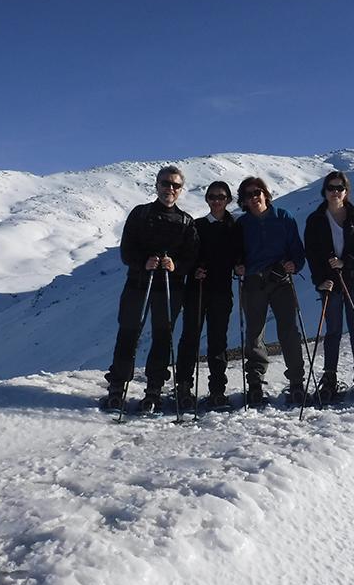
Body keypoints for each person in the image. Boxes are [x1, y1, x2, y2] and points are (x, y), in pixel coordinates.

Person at [102, 165, 199, 414]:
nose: (170, 188)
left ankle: (154, 387)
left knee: (162, 337)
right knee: (129, 334)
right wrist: (142, 262)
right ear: (156, 185)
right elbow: (126, 250)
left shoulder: (186, 222)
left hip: (169, 287)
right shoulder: (140, 214)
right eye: (166, 183)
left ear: (180, 189)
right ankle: (117, 385)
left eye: (175, 185)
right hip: (139, 284)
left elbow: (192, 257)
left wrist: (175, 265)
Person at [234, 176, 307, 406]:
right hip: (254, 281)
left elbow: (297, 250)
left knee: (289, 331)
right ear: (243, 201)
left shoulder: (284, 218)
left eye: (257, 192)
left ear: (265, 193)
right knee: (255, 333)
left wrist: (294, 264)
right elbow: (235, 253)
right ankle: (255, 383)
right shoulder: (241, 224)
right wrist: (237, 265)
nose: (254, 197)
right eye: (248, 195)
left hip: (280, 280)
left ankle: (296, 381)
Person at [304, 171, 354, 402]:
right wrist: (320, 280)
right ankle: (330, 377)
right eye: (331, 188)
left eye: (339, 188)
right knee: (333, 330)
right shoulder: (315, 220)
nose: (335, 192)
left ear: (346, 191)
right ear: (324, 191)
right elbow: (311, 254)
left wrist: (346, 263)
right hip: (330, 281)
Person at [174, 181, 240, 409]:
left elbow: (239, 254)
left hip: (221, 290)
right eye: (212, 197)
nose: (216, 201)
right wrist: (194, 271)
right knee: (190, 338)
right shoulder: (197, 225)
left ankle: (217, 389)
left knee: (217, 341)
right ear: (207, 200)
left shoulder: (235, 227)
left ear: (228, 199)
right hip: (196, 289)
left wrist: (239, 265)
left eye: (220, 197)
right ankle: (183, 385)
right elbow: (187, 254)